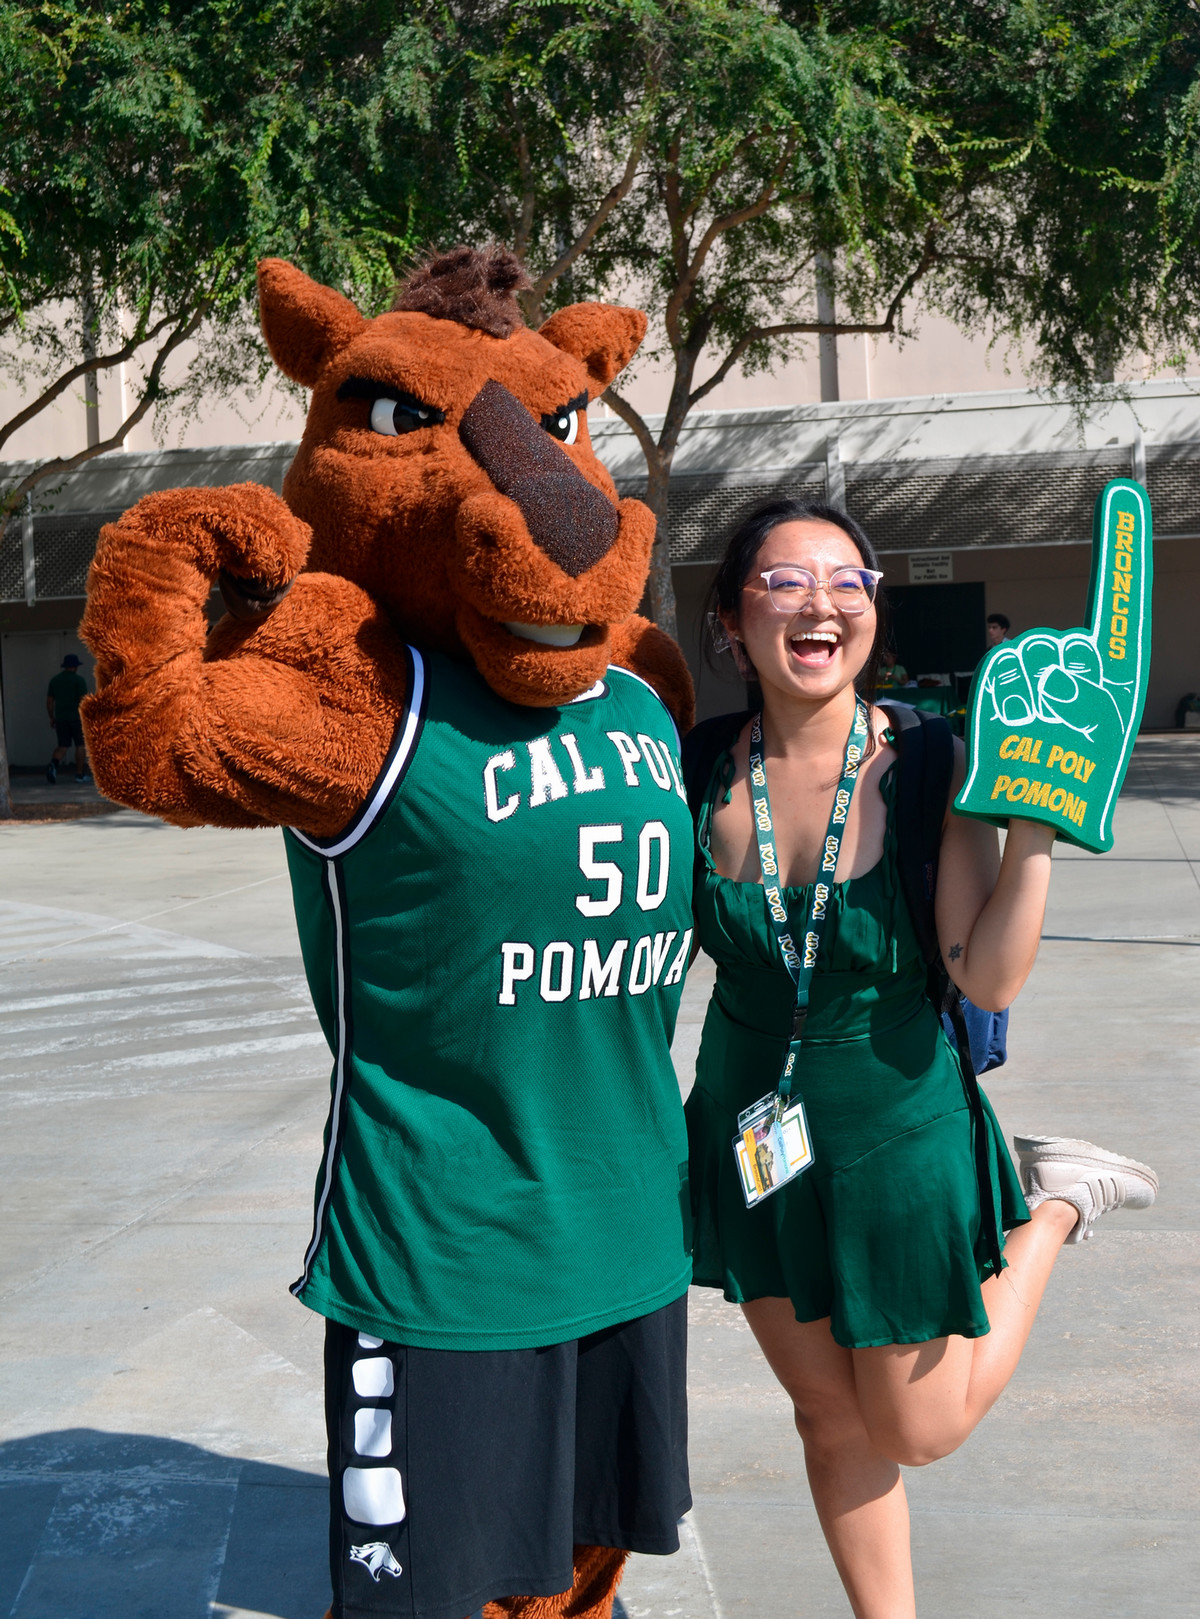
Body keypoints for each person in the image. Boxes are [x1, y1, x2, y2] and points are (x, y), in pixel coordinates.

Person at [684, 497, 1157, 1619]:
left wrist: (1038, 825)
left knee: (921, 1425)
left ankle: (1055, 1206)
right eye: (788, 581)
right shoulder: (699, 763)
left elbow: (985, 975)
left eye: (848, 580)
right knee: (828, 1416)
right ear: (731, 619)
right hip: (754, 1131)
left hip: (896, 1127)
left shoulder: (933, 760)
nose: (822, 604)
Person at [45, 653, 89, 783]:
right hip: (76, 718)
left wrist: (52, 717)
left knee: (63, 745)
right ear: (75, 666)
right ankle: (79, 774)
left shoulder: (54, 680)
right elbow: (83, 700)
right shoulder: (79, 681)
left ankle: (53, 764)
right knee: (80, 745)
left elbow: (49, 702)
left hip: (61, 718)